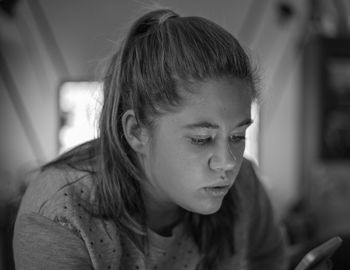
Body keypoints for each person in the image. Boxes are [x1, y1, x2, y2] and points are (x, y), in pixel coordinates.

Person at [12, 8, 331, 270]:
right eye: (202, 138)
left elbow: (268, 260)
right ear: (137, 131)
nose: (229, 162)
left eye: (237, 135)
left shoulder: (245, 184)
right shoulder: (59, 216)